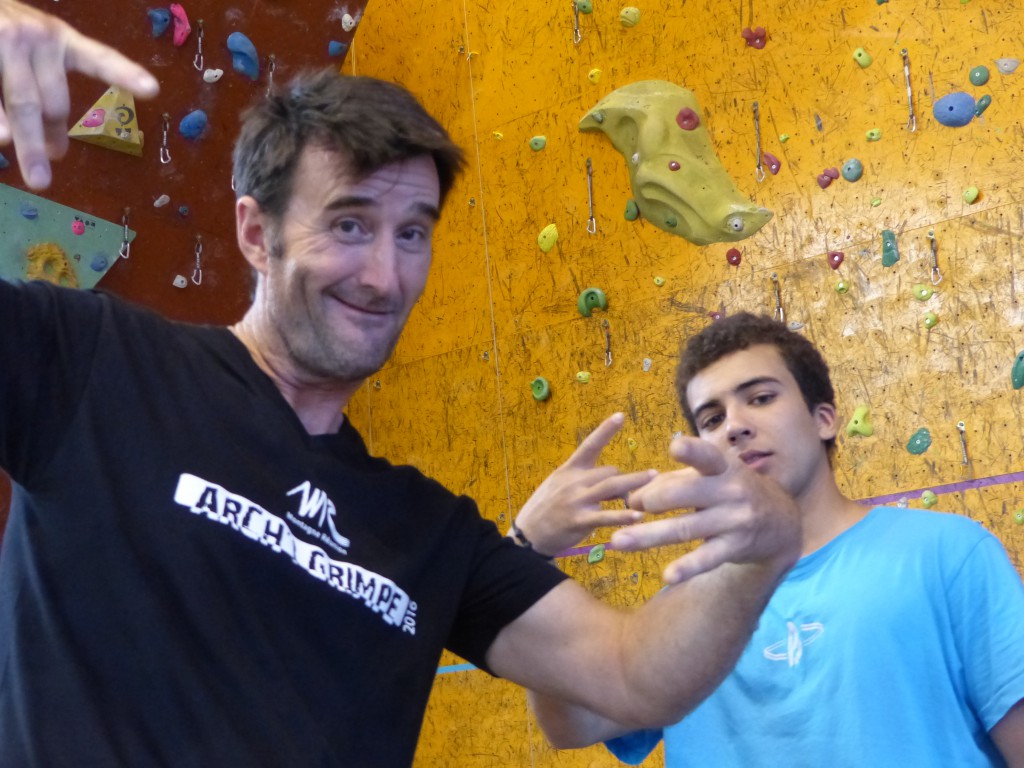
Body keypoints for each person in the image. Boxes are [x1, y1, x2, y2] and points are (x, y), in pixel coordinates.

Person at [0, 2, 804, 764]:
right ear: (255, 232)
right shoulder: (96, 363)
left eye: (412, 234)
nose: (384, 276)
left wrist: (763, 550)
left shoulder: (428, 532)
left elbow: (632, 675)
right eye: (349, 224)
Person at [524, 312, 1024, 766]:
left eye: (761, 398)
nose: (735, 427)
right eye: (712, 419)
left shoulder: (948, 553)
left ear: (823, 419)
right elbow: (571, 725)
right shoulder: (684, 609)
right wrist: (528, 555)